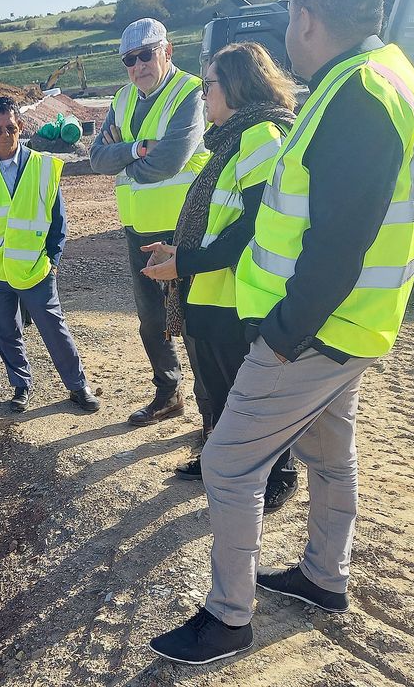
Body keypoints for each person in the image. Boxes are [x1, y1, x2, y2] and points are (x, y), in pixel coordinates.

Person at [149, 0, 414, 664]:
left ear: (307, 16)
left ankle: (228, 617)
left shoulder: (360, 96)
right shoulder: (387, 78)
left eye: (289, 16)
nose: (288, 29)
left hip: (313, 332)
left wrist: (281, 335)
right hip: (355, 326)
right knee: (330, 454)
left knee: (226, 464)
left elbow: (338, 243)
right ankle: (323, 575)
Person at [140, 41, 300, 513]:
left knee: (244, 396)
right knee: (213, 388)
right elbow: (216, 218)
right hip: (207, 291)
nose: (203, 94)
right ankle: (214, 457)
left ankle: (277, 475)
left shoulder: (261, 138)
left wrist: (182, 264)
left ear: (234, 86)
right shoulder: (231, 137)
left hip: (234, 296)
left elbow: (252, 230)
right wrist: (178, 250)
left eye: (208, 85)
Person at [89, 18, 212, 433]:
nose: (139, 65)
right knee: (151, 321)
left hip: (184, 230)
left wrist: (124, 158)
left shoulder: (190, 92)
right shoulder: (123, 99)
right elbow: (97, 160)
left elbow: (170, 162)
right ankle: (168, 393)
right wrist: (138, 149)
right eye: (130, 59)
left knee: (195, 322)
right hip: (138, 229)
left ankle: (212, 415)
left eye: (146, 54)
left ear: (168, 51)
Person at [0, 96, 100, 413]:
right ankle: (21, 386)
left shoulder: (42, 166)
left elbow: (59, 220)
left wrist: (52, 260)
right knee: (6, 332)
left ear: (20, 127)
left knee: (54, 329)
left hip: (34, 269)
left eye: (9, 128)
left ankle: (78, 387)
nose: (3, 135)